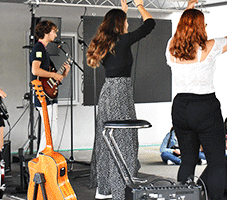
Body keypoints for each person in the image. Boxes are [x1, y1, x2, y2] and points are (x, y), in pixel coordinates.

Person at [165, 1, 227, 199]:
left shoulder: (171, 47)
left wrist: (189, 7)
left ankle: (184, 197)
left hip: (180, 107)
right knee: (217, 162)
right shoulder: (209, 47)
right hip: (205, 107)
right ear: (199, 27)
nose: (205, 27)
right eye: (203, 24)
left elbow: (183, 27)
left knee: (188, 161)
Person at [86, 0, 155, 199]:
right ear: (120, 24)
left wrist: (123, 11)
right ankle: (119, 191)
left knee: (107, 138)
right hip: (121, 93)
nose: (128, 26)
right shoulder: (123, 41)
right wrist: (140, 6)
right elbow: (150, 25)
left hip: (107, 92)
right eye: (125, 22)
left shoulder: (105, 42)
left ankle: (104, 189)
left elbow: (121, 27)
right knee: (123, 140)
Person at [30, 20, 70, 155]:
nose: (55, 34)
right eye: (53, 31)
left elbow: (51, 77)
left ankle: (46, 157)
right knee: (50, 130)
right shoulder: (38, 48)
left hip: (49, 94)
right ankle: (42, 158)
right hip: (42, 95)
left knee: (53, 129)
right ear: (46, 32)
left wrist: (63, 73)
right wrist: (54, 74)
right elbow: (35, 70)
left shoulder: (44, 50)